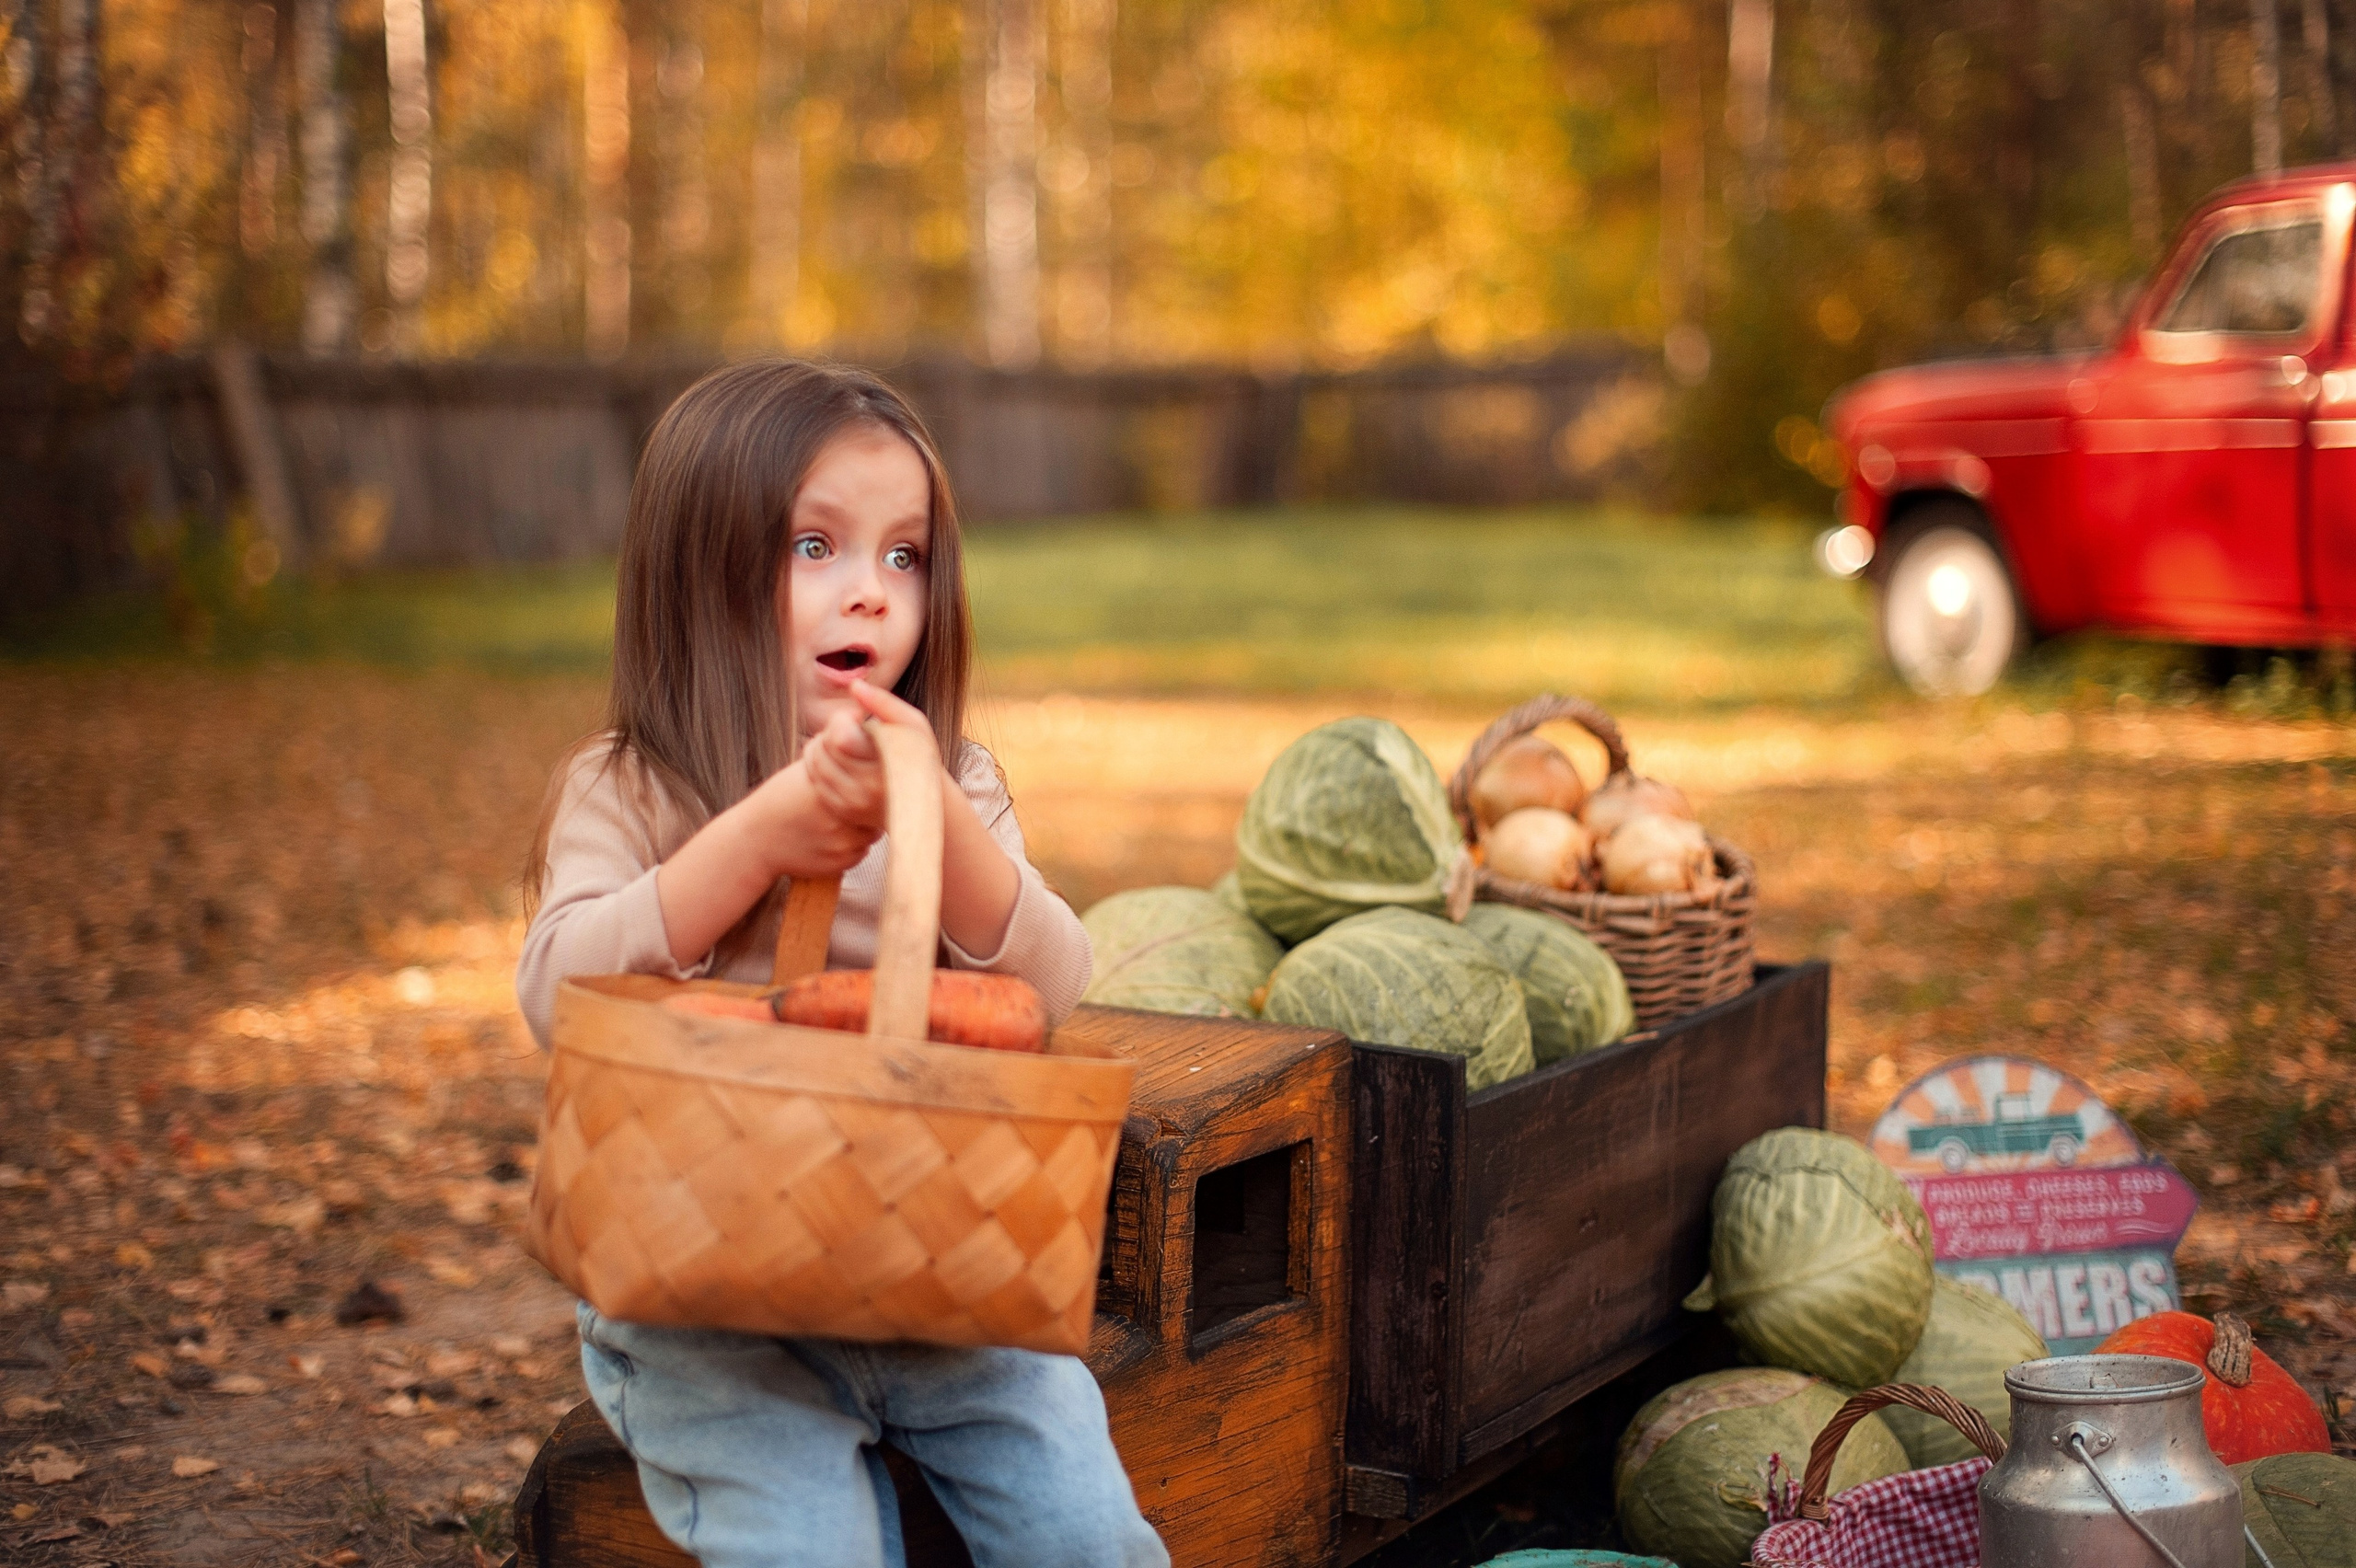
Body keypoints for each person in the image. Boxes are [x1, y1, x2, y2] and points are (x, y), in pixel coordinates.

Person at [514, 360, 1166, 1568]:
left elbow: (1060, 982)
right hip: (700, 1295)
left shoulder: (956, 786)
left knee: (1087, 1537)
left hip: (934, 1263)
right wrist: (755, 838)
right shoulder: (631, 785)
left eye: (903, 557)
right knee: (809, 1550)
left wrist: (939, 819)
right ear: (699, 573)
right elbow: (559, 995)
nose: (870, 595)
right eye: (816, 548)